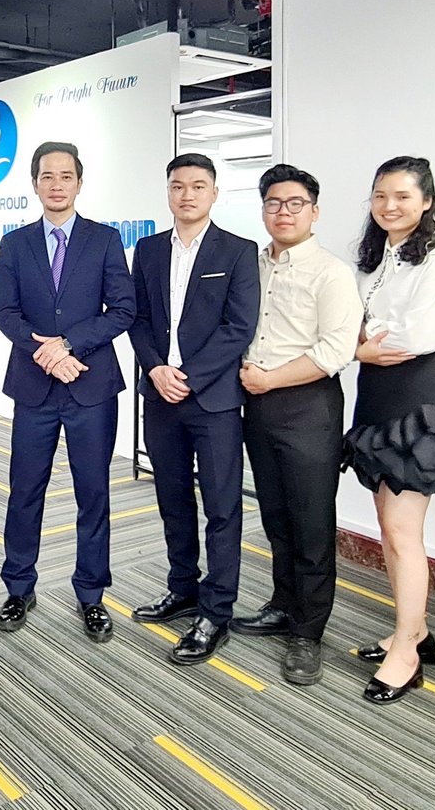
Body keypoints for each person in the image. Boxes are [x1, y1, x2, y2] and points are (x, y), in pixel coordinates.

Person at [0, 141, 135, 643]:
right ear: (34, 183)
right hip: (34, 387)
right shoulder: (15, 243)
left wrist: (69, 344)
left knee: (92, 493)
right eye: (47, 176)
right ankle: (18, 587)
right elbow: (5, 312)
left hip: (90, 386)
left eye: (66, 176)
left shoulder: (104, 239)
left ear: (79, 182)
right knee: (24, 491)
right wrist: (47, 353)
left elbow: (123, 309)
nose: (57, 184)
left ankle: (91, 595)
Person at [344, 155, 435, 704]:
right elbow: (349, 323)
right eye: (380, 196)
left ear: (427, 202)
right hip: (374, 395)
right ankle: (412, 631)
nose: (389, 206)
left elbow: (415, 337)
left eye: (402, 196)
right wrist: (361, 339)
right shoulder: (375, 258)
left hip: (415, 398)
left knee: (402, 531)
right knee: (387, 526)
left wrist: (361, 341)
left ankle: (408, 655)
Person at [128, 154, 258, 665]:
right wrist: (157, 368)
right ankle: (182, 587)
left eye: (198, 186)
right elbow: (137, 319)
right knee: (173, 498)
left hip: (213, 400)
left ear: (214, 194)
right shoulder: (148, 249)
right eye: (178, 186)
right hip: (161, 396)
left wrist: (189, 376)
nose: (187, 195)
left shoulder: (239, 251)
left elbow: (238, 327)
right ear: (168, 192)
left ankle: (216, 611)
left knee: (222, 507)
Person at [235, 163, 361, 686]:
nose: (283, 212)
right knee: (276, 514)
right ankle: (283, 605)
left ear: (314, 211)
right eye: (273, 203)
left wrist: (270, 379)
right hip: (258, 405)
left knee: (311, 522)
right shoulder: (252, 265)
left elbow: (336, 350)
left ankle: (308, 632)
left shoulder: (331, 273)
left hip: (308, 405)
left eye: (295, 204)